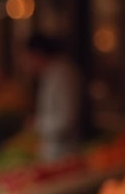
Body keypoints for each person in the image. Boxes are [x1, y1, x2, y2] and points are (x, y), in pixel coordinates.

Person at [21, 33, 82, 162]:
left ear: (37, 54)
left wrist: (37, 124)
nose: (25, 65)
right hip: (52, 152)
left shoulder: (63, 74)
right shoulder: (49, 74)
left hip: (64, 153)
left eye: (26, 59)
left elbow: (66, 119)